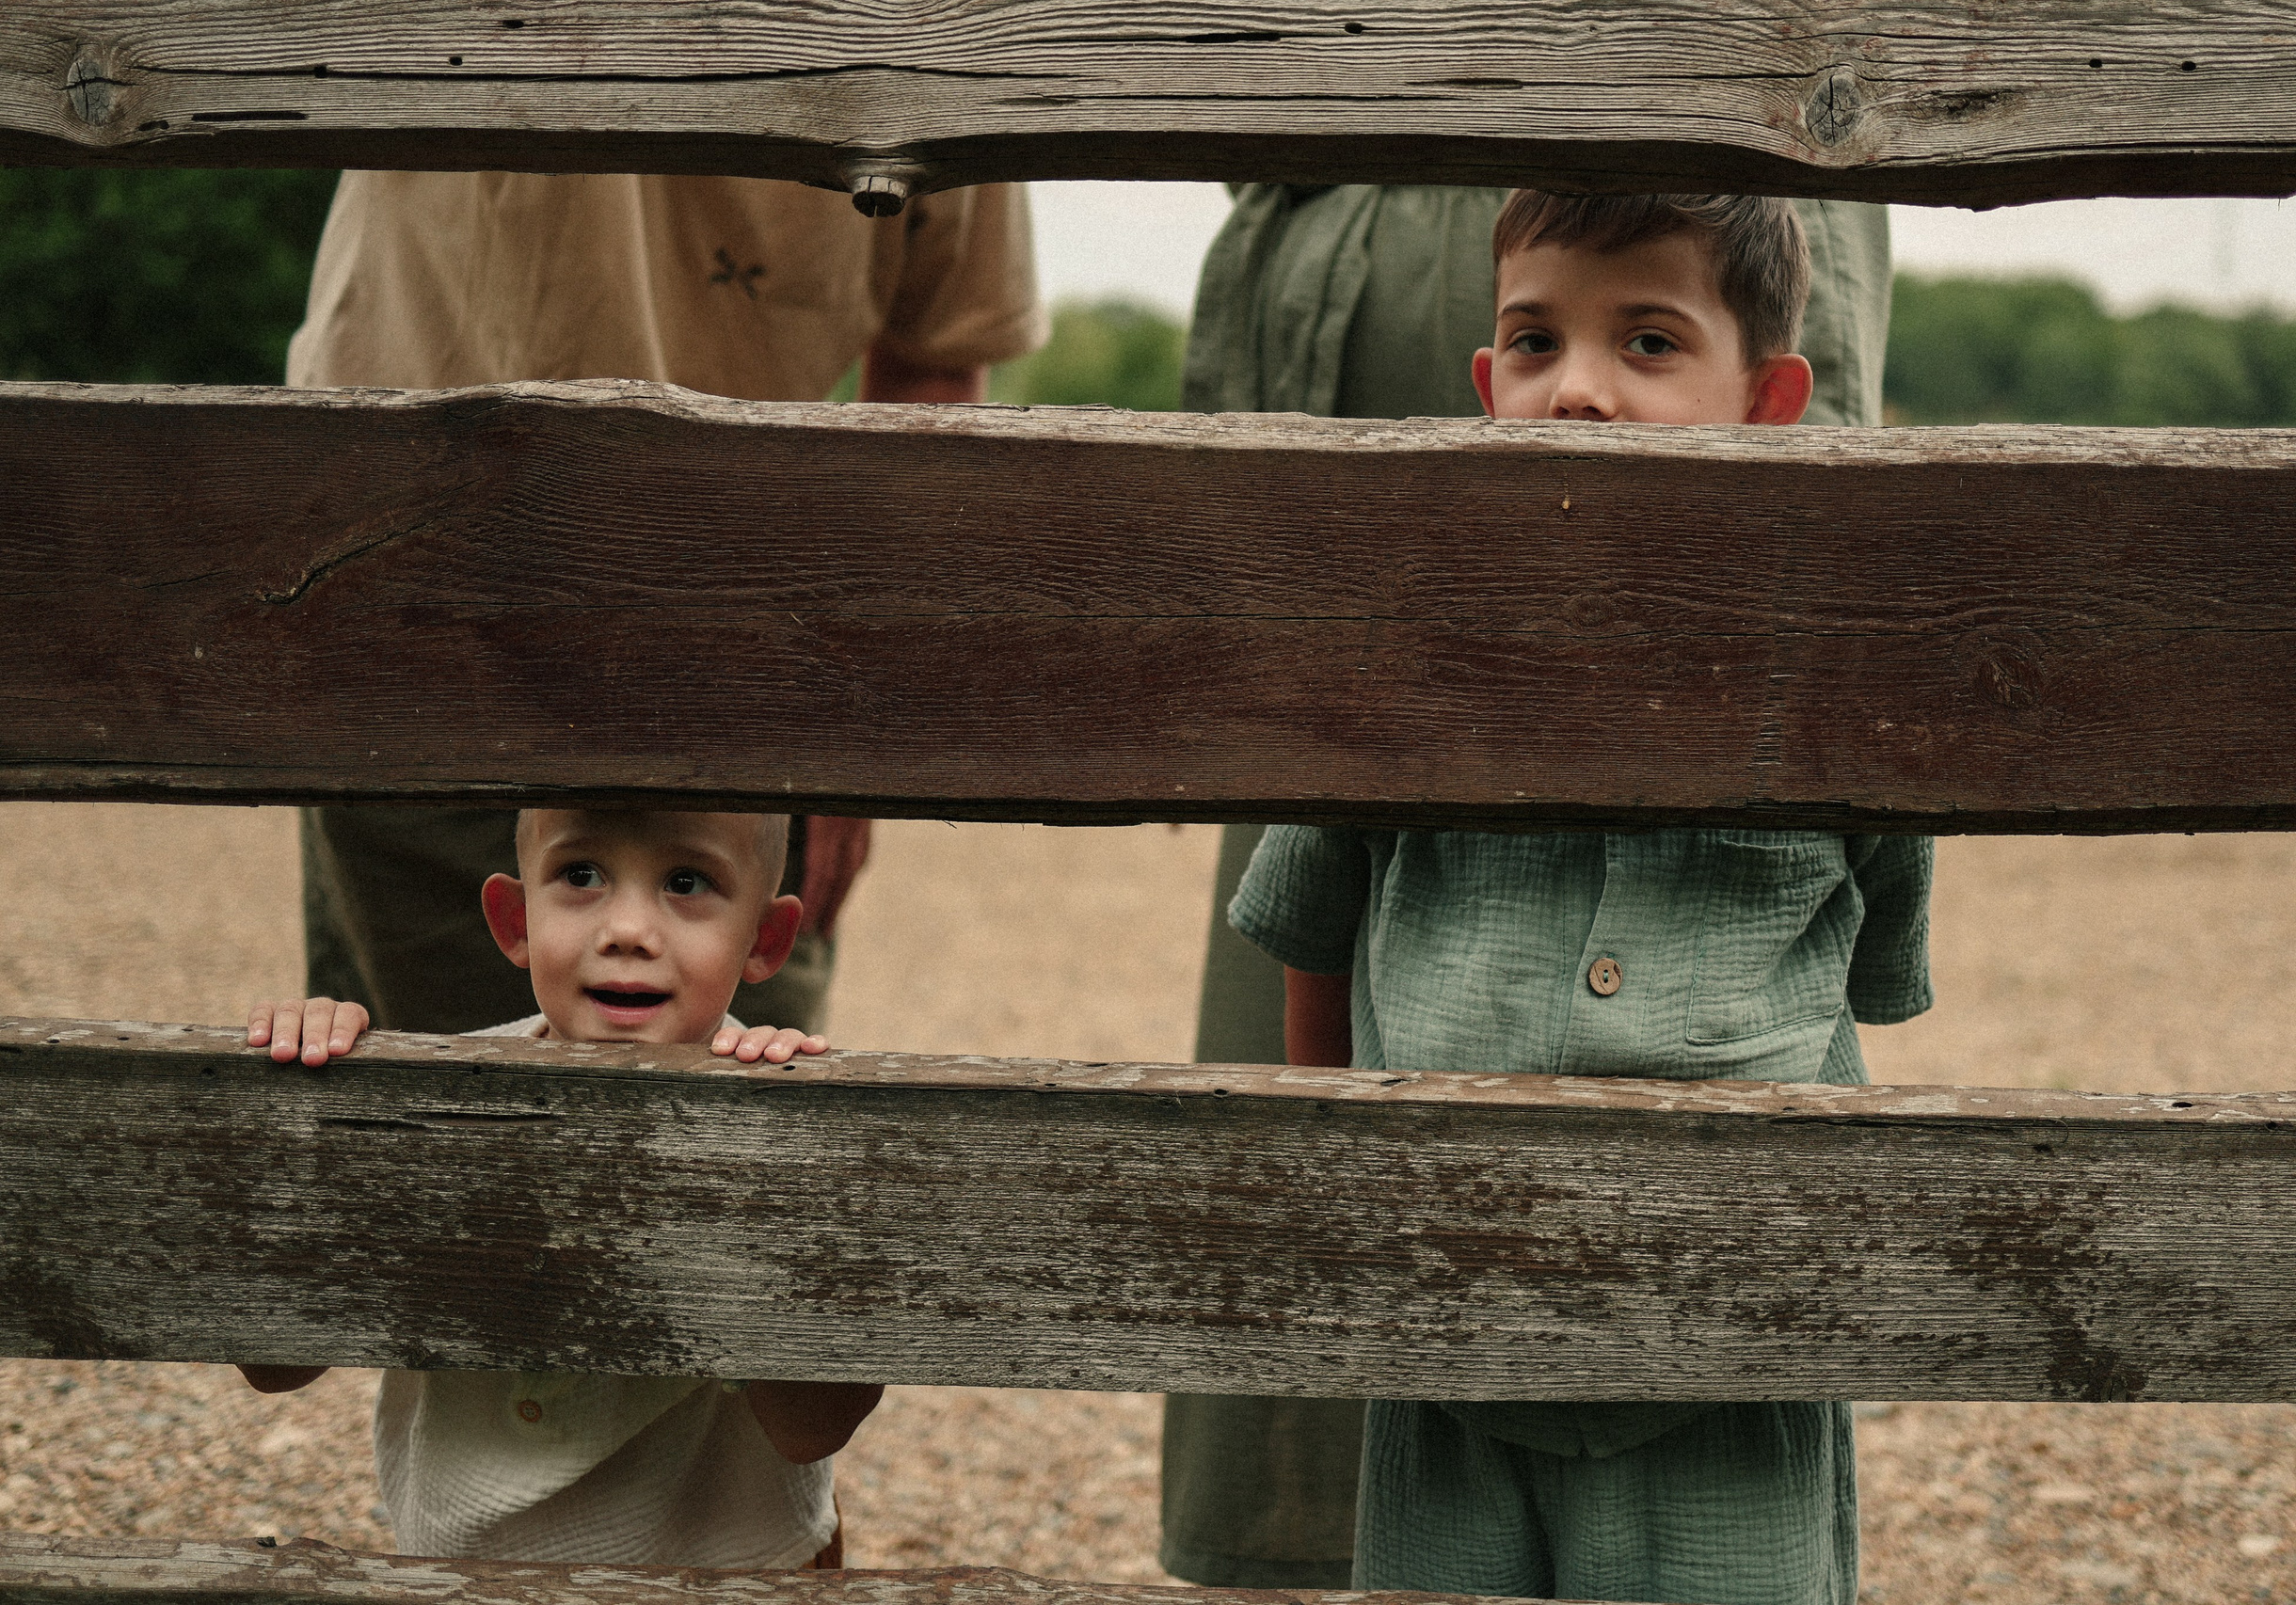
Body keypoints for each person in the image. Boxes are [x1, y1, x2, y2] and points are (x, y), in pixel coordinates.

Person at [1161, 182, 1893, 1591]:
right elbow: (1317, 931)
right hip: (1447, 1329)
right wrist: (1360, 1176)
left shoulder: (1822, 680)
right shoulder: (1404, 659)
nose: (1582, 395)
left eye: (1652, 345)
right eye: (1537, 345)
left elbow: (1859, 967)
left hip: (1735, 1339)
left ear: (1773, 397)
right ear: (1486, 380)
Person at [287, 171, 1046, 1040]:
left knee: (744, 1113)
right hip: (431, 587)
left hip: (740, 655)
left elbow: (936, 344)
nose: (628, 936)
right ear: (513, 922)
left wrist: (852, 717)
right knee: (419, 1107)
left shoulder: (936, 42)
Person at [239, 807, 877, 1568]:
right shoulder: (424, 1100)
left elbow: (813, 1426)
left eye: (686, 881)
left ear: (764, 941)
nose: (629, 930)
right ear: (515, 920)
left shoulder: (772, 1107)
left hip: (734, 1575)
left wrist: (759, 1180)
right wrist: (318, 1109)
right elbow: (274, 1364)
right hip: (468, 1573)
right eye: (581, 876)